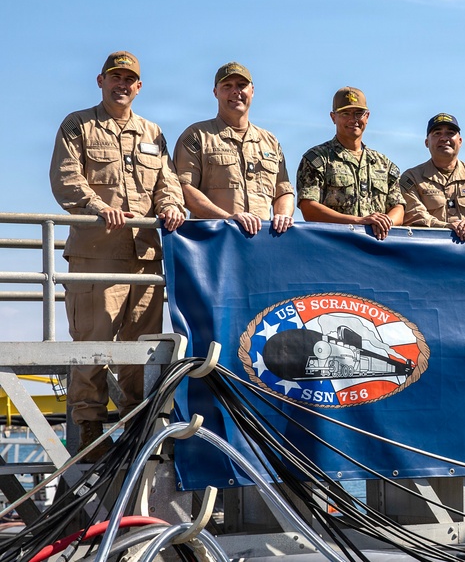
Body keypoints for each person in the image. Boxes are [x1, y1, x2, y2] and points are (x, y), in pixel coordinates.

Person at [49, 51, 185, 460]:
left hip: (144, 257)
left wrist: (172, 206)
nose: (122, 84)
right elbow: (66, 180)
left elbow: (168, 181)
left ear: (139, 86)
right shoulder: (79, 125)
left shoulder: (152, 132)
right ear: (100, 81)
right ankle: (88, 426)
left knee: (139, 348)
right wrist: (97, 207)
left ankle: (134, 424)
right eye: (115, 77)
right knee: (93, 341)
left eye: (129, 79)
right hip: (97, 255)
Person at [173, 62, 294, 235]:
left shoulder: (270, 141)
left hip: (262, 243)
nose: (235, 91)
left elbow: (283, 190)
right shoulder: (196, 136)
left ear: (252, 90)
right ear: (215, 92)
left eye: (242, 85)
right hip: (215, 241)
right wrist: (227, 218)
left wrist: (282, 216)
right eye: (227, 86)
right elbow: (184, 188)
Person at [296, 87, 404, 240]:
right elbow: (309, 208)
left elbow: (398, 206)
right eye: (345, 113)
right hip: (335, 248)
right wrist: (359, 222)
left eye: (358, 113)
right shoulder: (318, 159)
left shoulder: (383, 164)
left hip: (377, 250)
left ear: (367, 117)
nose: (353, 120)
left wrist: (385, 223)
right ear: (333, 117)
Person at [400, 113, 465, 241]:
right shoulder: (412, 178)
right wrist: (447, 228)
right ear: (427, 142)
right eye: (437, 133)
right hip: (428, 254)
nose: (444, 138)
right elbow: (414, 216)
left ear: (460, 141)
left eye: (450, 133)